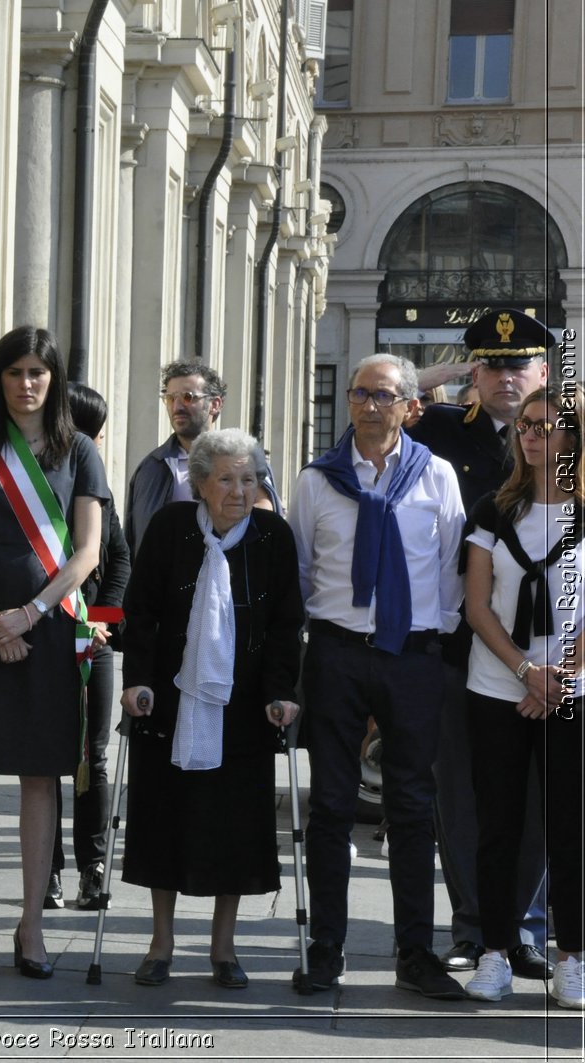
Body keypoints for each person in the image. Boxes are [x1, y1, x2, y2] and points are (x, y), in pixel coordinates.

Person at [290, 353, 467, 999]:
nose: (368, 404)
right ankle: (326, 947)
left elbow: (449, 568)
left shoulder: (437, 476)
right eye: (360, 393)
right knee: (333, 805)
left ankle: (415, 951)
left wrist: (425, 641)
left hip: (412, 655)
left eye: (383, 394)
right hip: (336, 653)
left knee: (414, 808)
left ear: (408, 406)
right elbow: (303, 571)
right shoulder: (317, 480)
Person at [0, 325, 107, 979]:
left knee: (42, 776)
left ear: (54, 379)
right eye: (14, 371)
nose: (26, 383)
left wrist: (29, 613)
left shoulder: (81, 451)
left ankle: (32, 921)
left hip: (49, 628)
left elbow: (87, 550)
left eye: (38, 371)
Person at [118, 429, 304, 988]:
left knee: (236, 827)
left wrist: (282, 692)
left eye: (249, 479)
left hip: (244, 704)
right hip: (171, 699)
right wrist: (137, 682)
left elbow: (285, 623)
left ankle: (224, 946)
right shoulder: (171, 528)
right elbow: (142, 611)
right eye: (226, 479)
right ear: (199, 483)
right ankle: (161, 941)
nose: (240, 491)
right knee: (165, 817)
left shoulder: (272, 535)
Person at [408, 307, 553, 981]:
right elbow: (377, 404)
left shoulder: (568, 442)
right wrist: (438, 375)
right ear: (475, 372)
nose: (504, 377)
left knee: (539, 799)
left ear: (543, 371)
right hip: (460, 644)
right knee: (466, 797)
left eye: (518, 363)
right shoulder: (435, 431)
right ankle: (474, 926)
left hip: (547, 653)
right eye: (491, 364)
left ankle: (525, 927)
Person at [459, 381, 583, 1008]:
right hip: (496, 687)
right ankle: (494, 953)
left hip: (574, 691)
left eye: (547, 425)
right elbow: (477, 607)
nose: (532, 435)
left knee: (572, 828)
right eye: (527, 426)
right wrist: (525, 672)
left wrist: (557, 674)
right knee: (498, 826)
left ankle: (573, 958)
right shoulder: (491, 510)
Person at [47, 384, 130, 911]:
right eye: (90, 432)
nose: (96, 442)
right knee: (45, 761)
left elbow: (118, 558)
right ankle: (47, 870)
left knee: (91, 757)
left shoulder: (98, 486)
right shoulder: (37, 484)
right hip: (45, 636)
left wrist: (100, 621)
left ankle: (92, 867)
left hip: (92, 641)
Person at [126, 360, 278, 554]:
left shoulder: (245, 459)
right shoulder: (152, 467)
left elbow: (265, 517)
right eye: (171, 398)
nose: (177, 407)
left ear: (215, 404)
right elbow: (135, 541)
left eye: (188, 397)